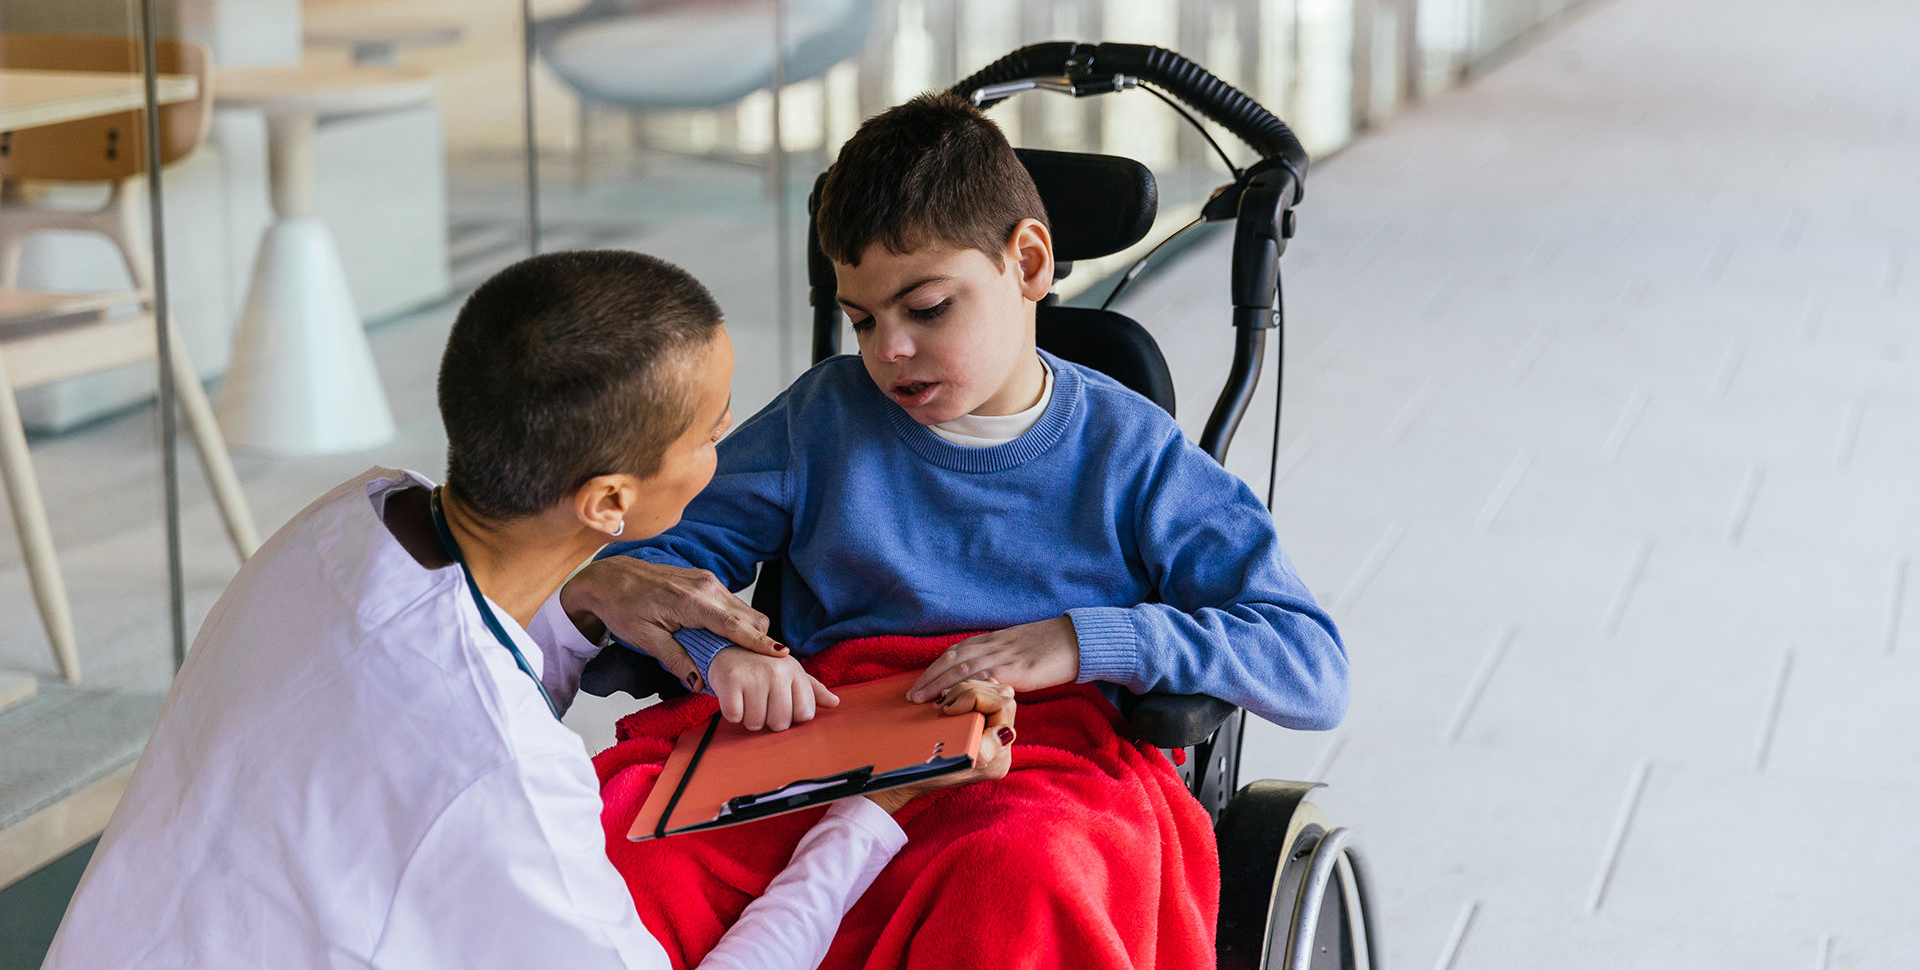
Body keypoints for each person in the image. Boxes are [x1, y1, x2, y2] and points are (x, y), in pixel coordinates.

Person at [42, 251, 1015, 970]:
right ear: (608, 504)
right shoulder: (503, 775)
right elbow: (459, 733)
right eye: (711, 432)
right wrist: (867, 815)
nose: (728, 441)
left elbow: (428, 656)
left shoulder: (348, 520)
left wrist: (580, 599)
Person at [563, 93, 1348, 968]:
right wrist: (721, 656)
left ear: (1029, 261)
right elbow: (649, 566)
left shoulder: (1133, 455)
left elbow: (1309, 665)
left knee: (1020, 880)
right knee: (619, 856)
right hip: (829, 734)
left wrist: (1083, 640)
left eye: (927, 308)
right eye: (863, 319)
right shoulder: (823, 420)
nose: (887, 349)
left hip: (1038, 760)